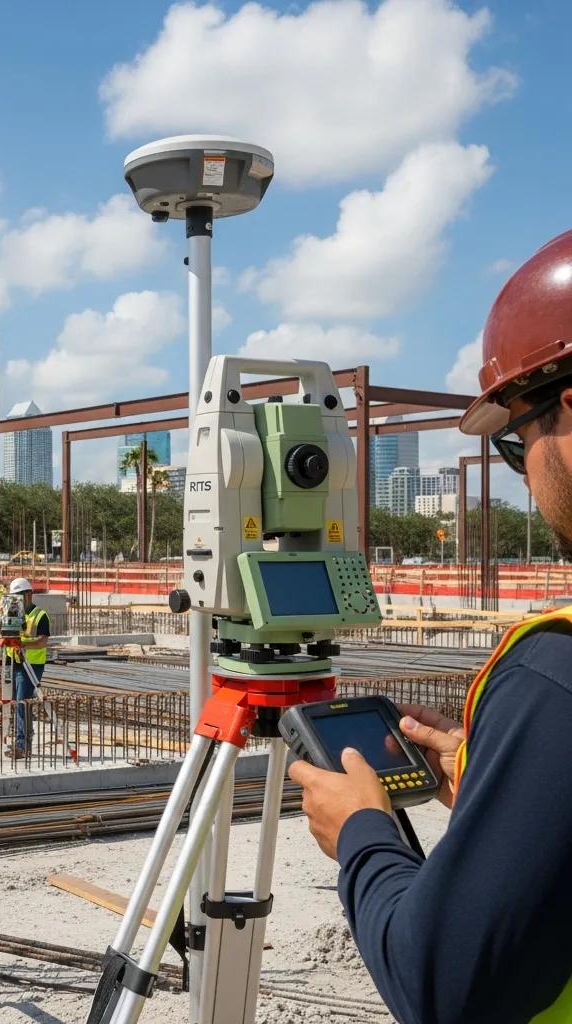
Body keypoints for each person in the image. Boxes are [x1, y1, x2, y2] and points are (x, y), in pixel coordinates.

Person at [289, 229, 572, 1023]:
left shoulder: (557, 674)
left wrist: (364, 834)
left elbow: (444, 985)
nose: (525, 480)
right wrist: (514, 786)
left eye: (517, 444)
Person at [4, 577, 50, 758]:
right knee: (17, 702)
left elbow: (43, 641)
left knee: (23, 702)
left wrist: (23, 644)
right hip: (13, 662)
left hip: (31, 665)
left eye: (18, 596)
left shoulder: (40, 615)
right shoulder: (14, 612)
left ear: (28, 594)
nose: (15, 600)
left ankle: (22, 745)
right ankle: (24, 738)